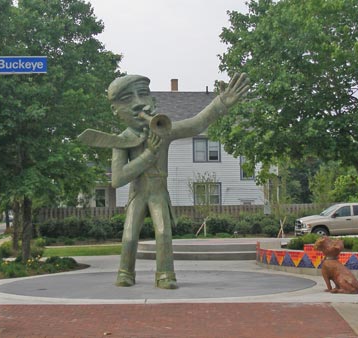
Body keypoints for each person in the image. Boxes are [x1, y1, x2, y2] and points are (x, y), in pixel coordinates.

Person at [82, 73, 249, 289]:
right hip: (138, 193)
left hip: (158, 192)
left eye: (143, 94)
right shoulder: (121, 140)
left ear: (153, 100)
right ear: (115, 110)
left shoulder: (164, 131)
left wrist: (220, 104)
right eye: (127, 99)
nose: (138, 103)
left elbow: (196, 124)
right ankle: (125, 272)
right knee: (130, 235)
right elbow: (117, 179)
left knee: (163, 233)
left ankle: (165, 274)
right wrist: (149, 154)